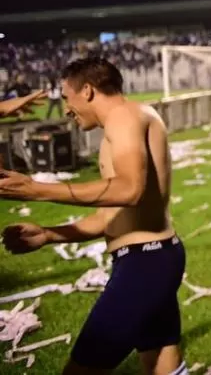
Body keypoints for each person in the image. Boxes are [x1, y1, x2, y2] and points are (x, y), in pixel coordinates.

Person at [0, 57, 187, 374]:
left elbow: (129, 189)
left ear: (86, 90)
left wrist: (36, 188)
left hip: (145, 263)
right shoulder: (124, 123)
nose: (66, 111)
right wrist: (48, 234)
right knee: (160, 363)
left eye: (66, 98)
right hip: (151, 258)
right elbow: (107, 219)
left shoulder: (125, 116)